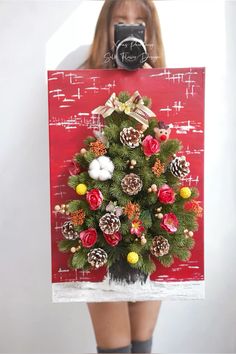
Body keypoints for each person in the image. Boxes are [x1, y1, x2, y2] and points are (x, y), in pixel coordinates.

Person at [79, 1, 166, 352]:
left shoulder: (165, 82)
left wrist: (148, 84)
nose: (130, 29)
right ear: (107, 28)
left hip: (152, 226)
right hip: (99, 228)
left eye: (139, 24)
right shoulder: (79, 81)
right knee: (115, 347)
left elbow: (174, 149)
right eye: (121, 22)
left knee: (142, 344)